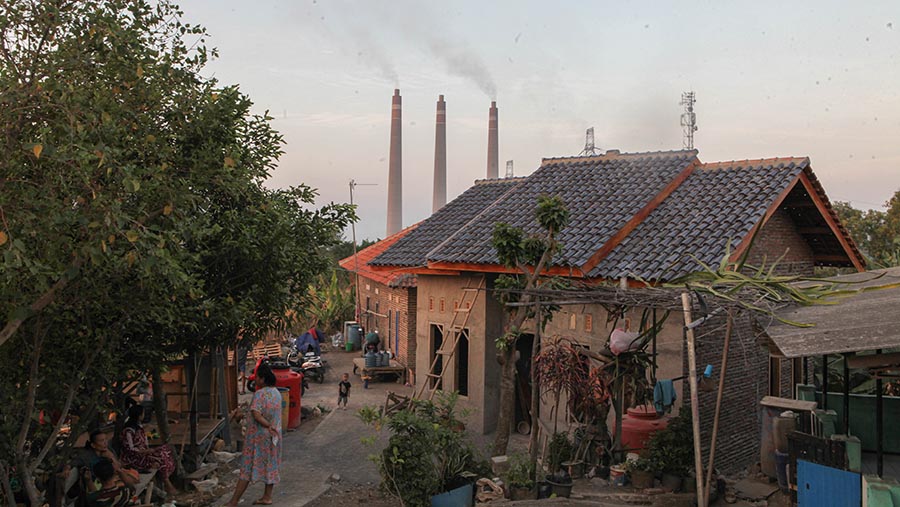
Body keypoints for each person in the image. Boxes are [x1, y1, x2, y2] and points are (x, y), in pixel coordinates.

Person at [224, 362, 282, 506]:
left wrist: (267, 424)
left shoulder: (259, 394)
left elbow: (256, 414)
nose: (255, 380)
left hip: (259, 437)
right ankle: (267, 497)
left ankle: (234, 501)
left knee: (247, 467)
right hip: (274, 436)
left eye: (257, 377)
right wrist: (272, 427)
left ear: (262, 379)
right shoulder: (277, 393)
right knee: (271, 465)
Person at [119, 405, 178, 495]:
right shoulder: (129, 430)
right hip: (133, 458)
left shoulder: (139, 427)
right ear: (139, 415)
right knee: (160, 459)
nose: (144, 415)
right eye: (143, 413)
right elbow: (130, 449)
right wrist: (144, 451)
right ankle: (168, 485)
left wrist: (148, 450)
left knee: (165, 450)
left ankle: (167, 481)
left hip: (143, 453)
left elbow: (144, 442)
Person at [68, 430, 139, 493]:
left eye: (106, 439)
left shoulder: (109, 450)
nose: (105, 443)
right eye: (102, 441)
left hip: (111, 478)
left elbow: (118, 467)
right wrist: (66, 469)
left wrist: (111, 457)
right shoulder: (87, 456)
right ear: (93, 445)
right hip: (99, 482)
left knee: (133, 476)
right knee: (127, 485)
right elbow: (72, 463)